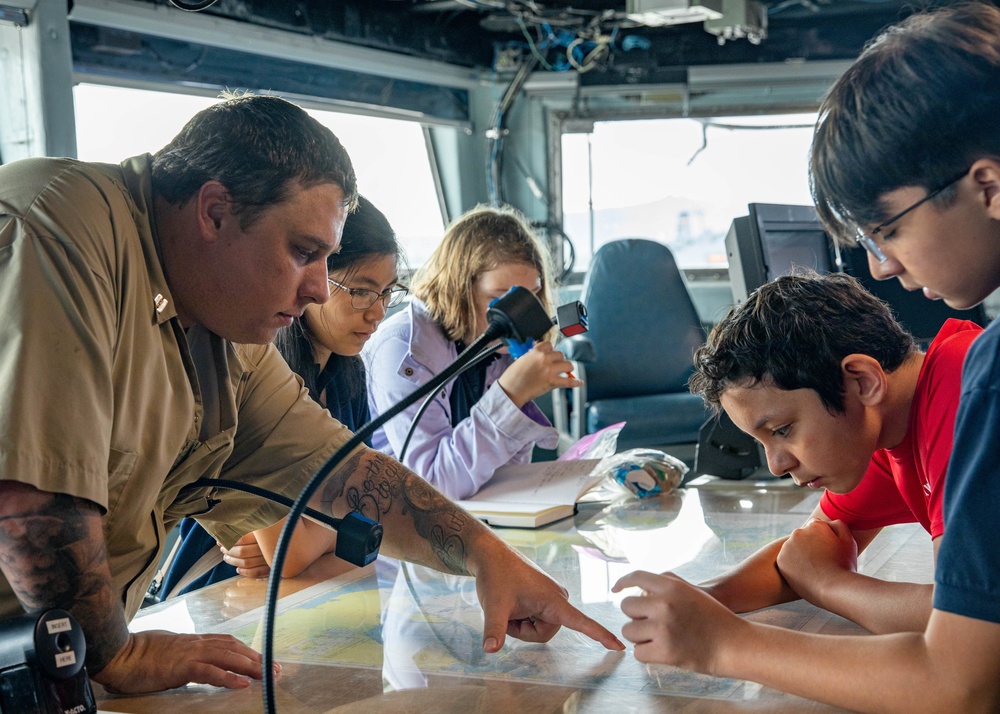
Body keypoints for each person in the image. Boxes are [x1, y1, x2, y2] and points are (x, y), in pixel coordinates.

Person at [0, 92, 624, 697]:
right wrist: (119, 654)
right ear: (214, 211)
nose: (321, 291)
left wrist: (486, 556)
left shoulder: (224, 333)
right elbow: (31, 500)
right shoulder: (60, 228)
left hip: (52, 662)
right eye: (304, 253)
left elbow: (343, 472)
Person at [614, 5, 1000, 712]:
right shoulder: (903, 425)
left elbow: (964, 679)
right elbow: (813, 545)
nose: (882, 267)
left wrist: (723, 642)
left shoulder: (981, 385)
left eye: (887, 229)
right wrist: (700, 605)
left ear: (987, 186)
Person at [686, 271, 980, 634]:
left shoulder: (966, 389)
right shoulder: (886, 435)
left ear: (862, 381)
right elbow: (811, 552)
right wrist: (701, 596)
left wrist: (830, 586)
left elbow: (969, 623)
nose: (777, 465)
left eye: (782, 430)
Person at [160, 195, 407, 595]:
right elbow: (291, 553)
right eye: (362, 291)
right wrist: (352, 527)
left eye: (388, 293)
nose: (378, 312)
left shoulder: (348, 377)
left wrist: (332, 529)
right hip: (220, 596)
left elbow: (359, 508)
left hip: (305, 594)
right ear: (314, 279)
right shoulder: (260, 378)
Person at [363, 204, 579, 500]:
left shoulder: (498, 348)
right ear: (458, 289)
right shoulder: (404, 349)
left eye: (531, 297)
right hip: (399, 518)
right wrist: (510, 396)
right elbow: (432, 486)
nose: (520, 315)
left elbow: (508, 472)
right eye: (500, 297)